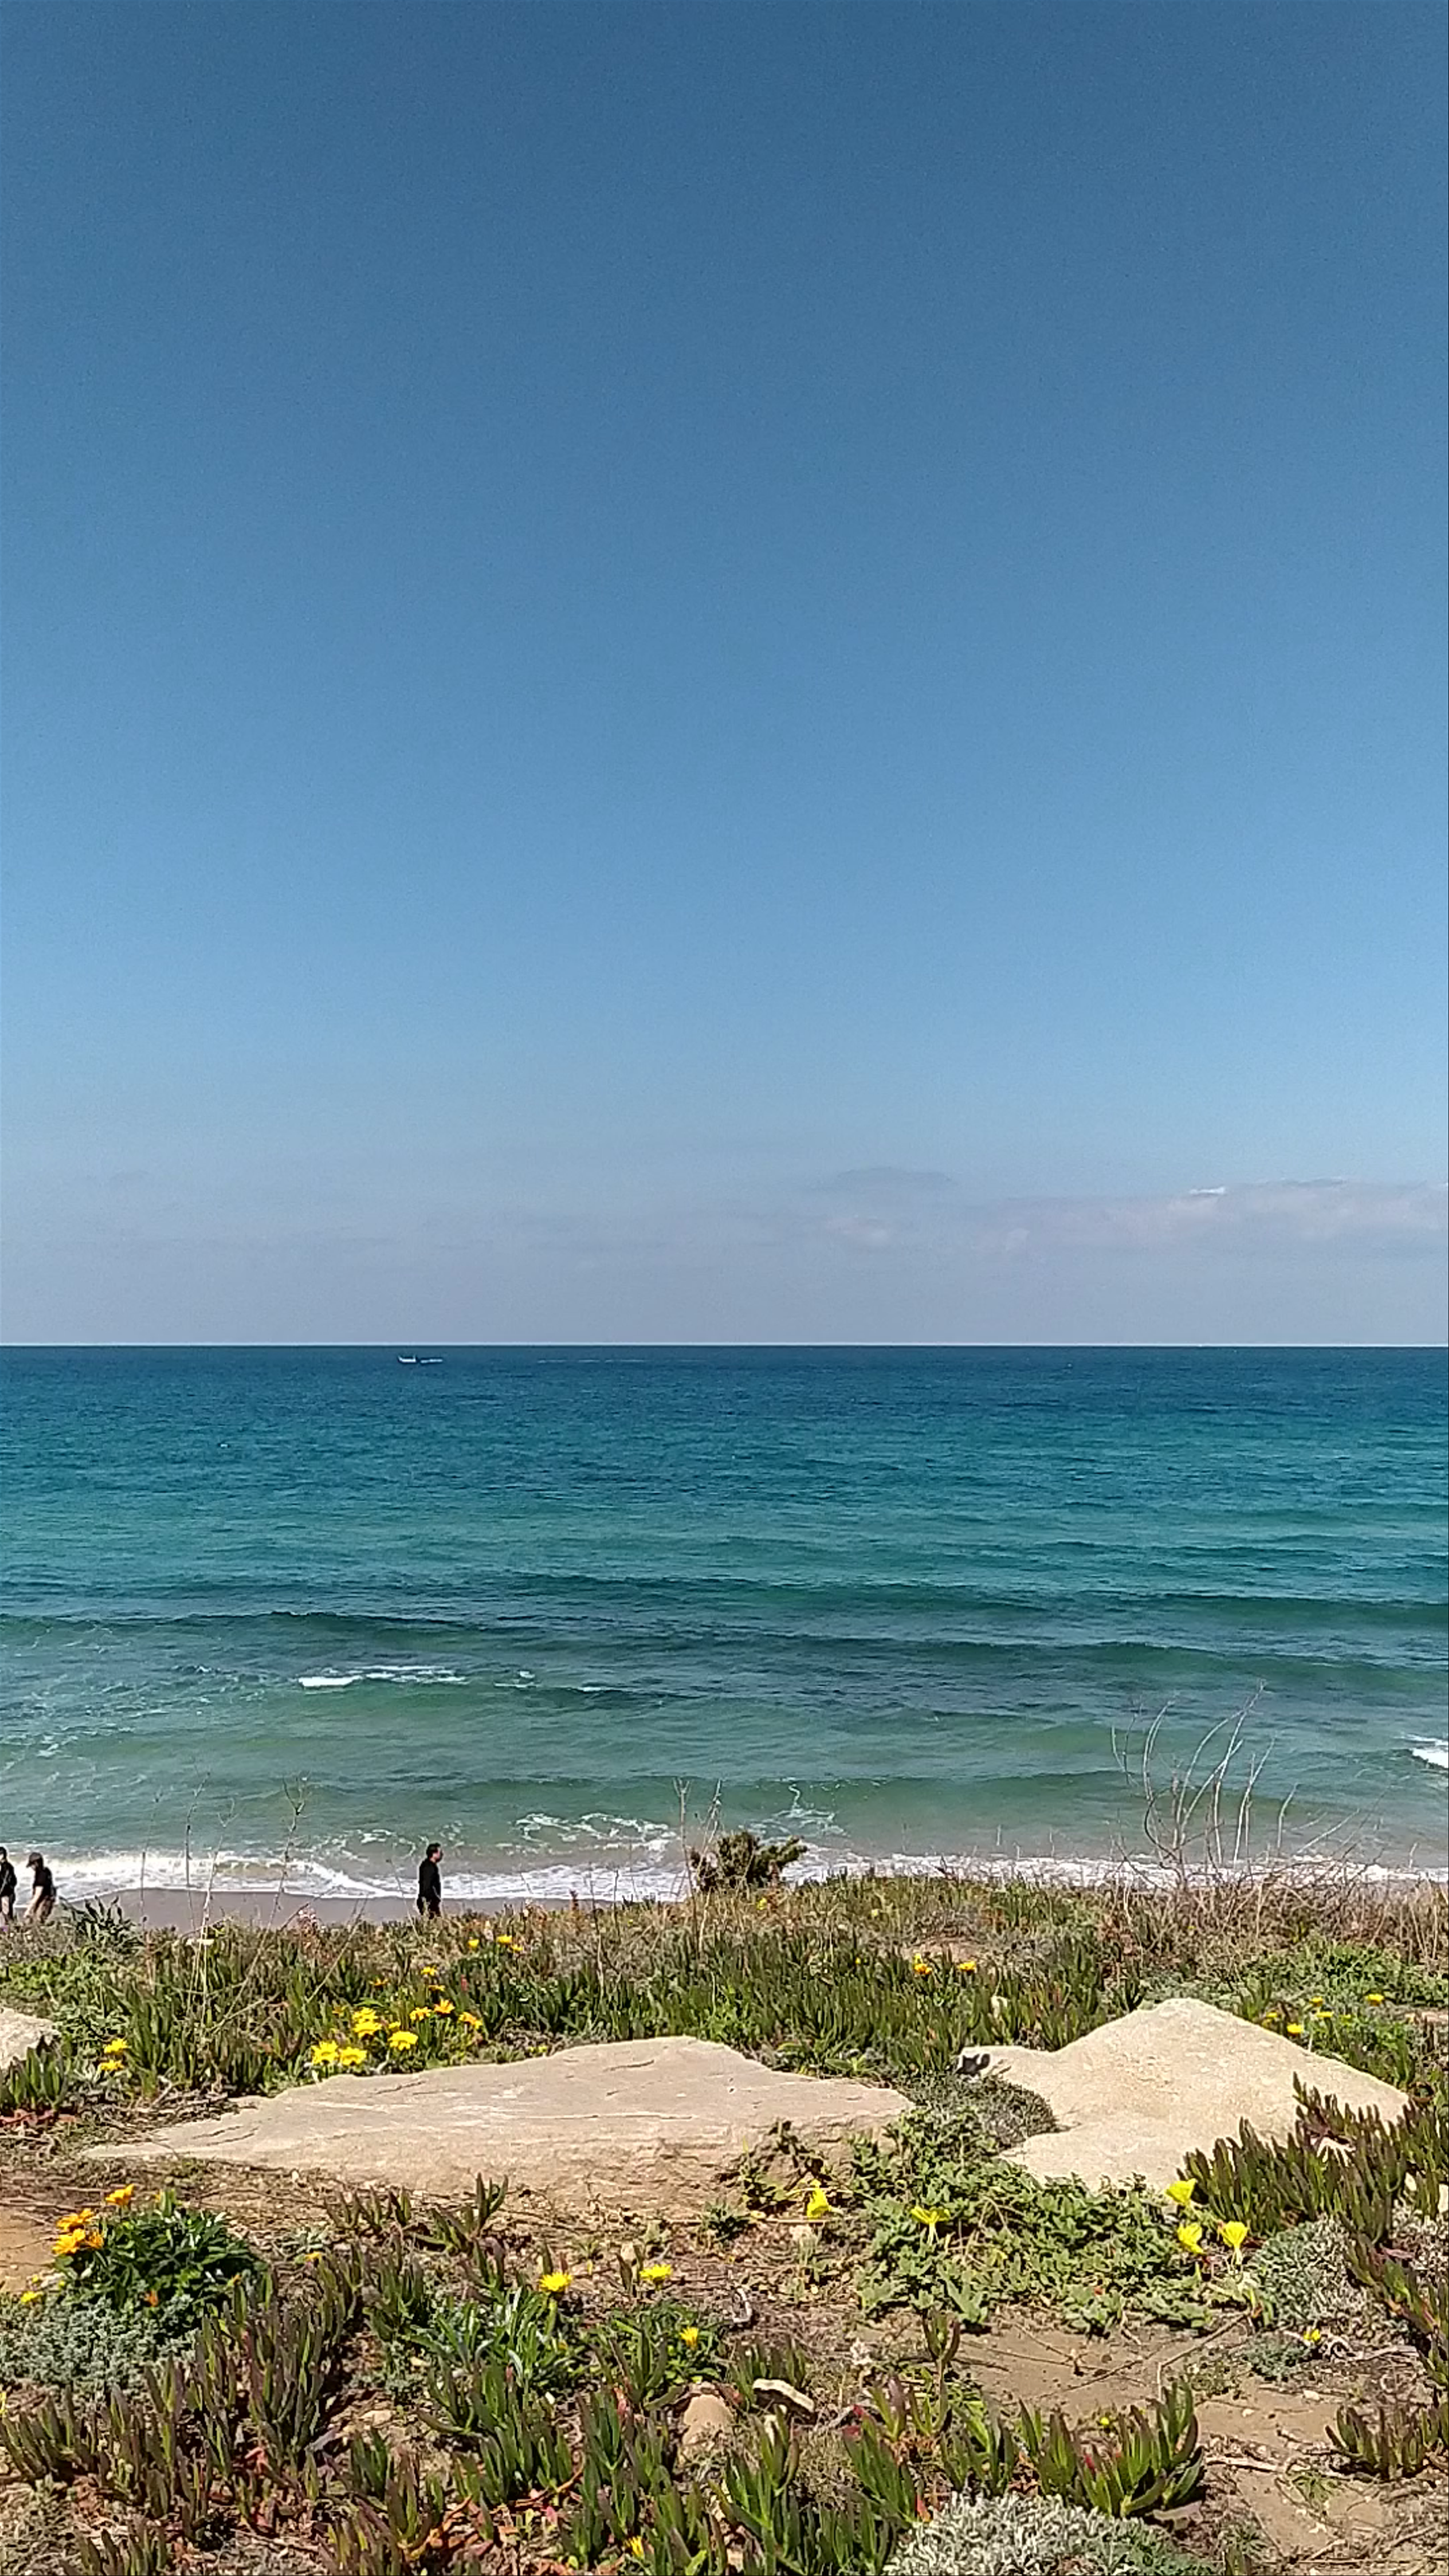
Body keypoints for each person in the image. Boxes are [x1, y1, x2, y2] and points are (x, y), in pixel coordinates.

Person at [25, 1852, 55, 1925]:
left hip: (44, 1901)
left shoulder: (41, 1876)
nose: (32, 1868)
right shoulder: (46, 1871)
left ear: (36, 1864)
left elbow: (38, 1894)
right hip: (49, 1899)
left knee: (38, 1922)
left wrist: (29, 1910)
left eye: (32, 1865)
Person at [416, 1842, 443, 1921]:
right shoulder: (429, 1867)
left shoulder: (429, 1865)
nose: (441, 1855)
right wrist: (431, 1900)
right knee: (435, 1922)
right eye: (440, 1853)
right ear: (434, 1854)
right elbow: (427, 1885)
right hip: (428, 1901)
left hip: (429, 1901)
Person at [0, 1849, 15, 1928]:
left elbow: (5, 1882)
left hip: (6, 1894)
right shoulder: (5, 1867)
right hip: (6, 1894)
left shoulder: (7, 1867)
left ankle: (8, 1932)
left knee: (6, 1914)